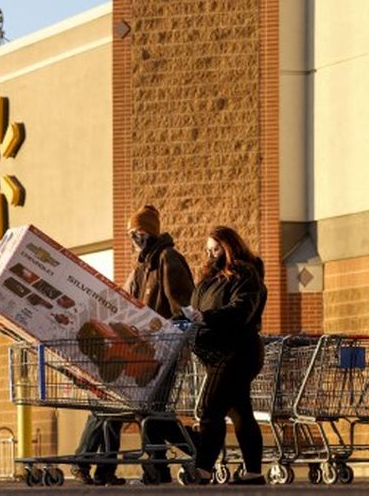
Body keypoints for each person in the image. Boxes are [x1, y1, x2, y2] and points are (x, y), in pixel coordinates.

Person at [71, 204, 195, 485]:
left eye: (138, 232)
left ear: (150, 232)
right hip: (138, 351)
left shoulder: (168, 260)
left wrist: (178, 341)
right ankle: (152, 468)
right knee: (136, 410)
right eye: (131, 234)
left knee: (142, 410)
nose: (134, 239)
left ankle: (179, 458)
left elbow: (183, 306)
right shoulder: (142, 267)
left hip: (160, 351)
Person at [184, 225, 267, 485]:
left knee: (209, 409)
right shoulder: (209, 279)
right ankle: (253, 472)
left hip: (236, 352)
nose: (211, 255)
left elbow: (241, 309)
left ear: (229, 247)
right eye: (208, 250)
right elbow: (194, 309)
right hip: (215, 353)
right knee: (240, 411)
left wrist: (206, 317)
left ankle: (203, 469)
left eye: (216, 249)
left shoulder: (245, 274)